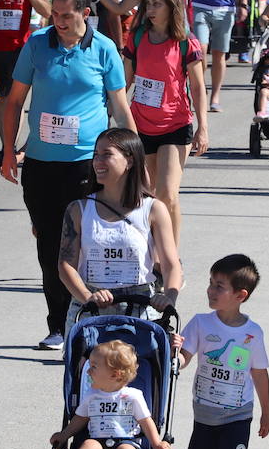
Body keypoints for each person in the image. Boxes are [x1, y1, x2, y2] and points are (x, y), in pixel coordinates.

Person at [2, 0, 136, 351]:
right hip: (42, 165)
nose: (57, 21)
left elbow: (120, 106)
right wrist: (9, 150)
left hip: (86, 166)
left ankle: (91, 316)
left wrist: (134, 158)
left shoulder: (104, 49)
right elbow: (13, 102)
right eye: (54, 14)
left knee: (85, 243)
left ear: (85, 14)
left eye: (66, 15)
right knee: (49, 246)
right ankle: (58, 324)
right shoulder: (36, 45)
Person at [174, 254, 269, 449]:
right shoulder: (201, 323)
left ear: (240, 295)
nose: (211, 291)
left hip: (237, 414)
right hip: (205, 412)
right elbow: (185, 357)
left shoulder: (252, 332)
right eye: (211, 284)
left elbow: (259, 372)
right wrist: (175, 353)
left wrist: (266, 412)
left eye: (219, 286)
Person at [57, 126, 182, 334]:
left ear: (130, 160)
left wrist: (169, 297)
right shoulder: (78, 210)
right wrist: (87, 297)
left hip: (140, 305)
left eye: (107, 155)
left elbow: (171, 264)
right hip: (92, 307)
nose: (98, 161)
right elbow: (65, 265)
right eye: (96, 155)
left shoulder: (153, 209)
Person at [122, 0, 209, 239]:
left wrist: (203, 127)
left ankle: (170, 257)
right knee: (147, 195)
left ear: (172, 6)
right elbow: (123, 83)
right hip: (141, 125)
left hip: (175, 124)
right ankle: (151, 250)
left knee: (168, 193)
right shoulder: (137, 38)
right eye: (148, 3)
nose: (150, 9)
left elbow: (197, 86)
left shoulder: (185, 42)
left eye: (157, 4)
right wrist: (108, 112)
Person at [51, 339, 174, 449]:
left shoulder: (133, 396)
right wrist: (64, 435)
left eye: (93, 367)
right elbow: (80, 419)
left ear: (115, 374)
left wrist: (157, 443)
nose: (88, 372)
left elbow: (146, 422)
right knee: (88, 444)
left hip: (127, 441)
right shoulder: (91, 395)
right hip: (99, 444)